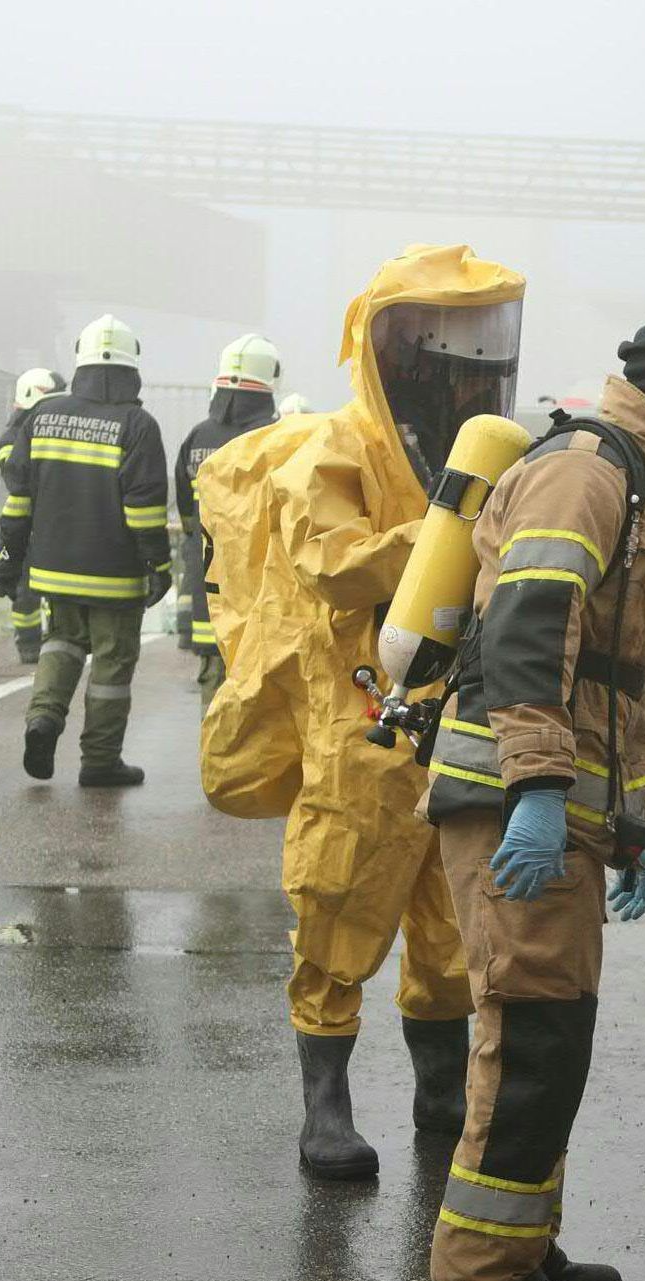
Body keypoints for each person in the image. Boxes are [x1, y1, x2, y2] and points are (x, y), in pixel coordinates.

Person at [420, 314, 645, 1281]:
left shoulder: (634, 480)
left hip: (555, 804)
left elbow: (619, 686)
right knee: (531, 1035)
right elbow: (525, 630)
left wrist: (634, 820)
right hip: (515, 799)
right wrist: (539, 787)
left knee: (552, 1032)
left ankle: (522, 1244)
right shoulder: (586, 473)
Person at [196, 246, 517, 1181]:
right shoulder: (335, 451)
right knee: (339, 899)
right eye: (456, 342)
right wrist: (450, 529)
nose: (475, 365)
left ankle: (440, 1093)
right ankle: (325, 1107)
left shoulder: (482, 448)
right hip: (361, 716)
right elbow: (330, 564)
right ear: (401, 346)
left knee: (453, 920)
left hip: (458, 716)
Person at [0, 317, 170, 787]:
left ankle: (43, 719)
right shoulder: (138, 425)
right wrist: (159, 565)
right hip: (115, 576)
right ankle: (99, 760)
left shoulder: (41, 417)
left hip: (52, 570)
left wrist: (9, 559)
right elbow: (145, 510)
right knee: (111, 665)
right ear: (132, 366)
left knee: (61, 643)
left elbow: (18, 501)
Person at [174, 334, 282, 709]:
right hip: (260, 582)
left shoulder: (197, 437)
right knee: (262, 690)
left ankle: (215, 764)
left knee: (214, 685)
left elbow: (188, 516)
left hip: (208, 579)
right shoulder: (277, 437)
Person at [0, 368, 63, 664]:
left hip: (53, 519)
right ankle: (28, 643)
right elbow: (16, 480)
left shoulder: (51, 428)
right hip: (26, 522)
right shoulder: (12, 437)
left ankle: (55, 639)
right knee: (25, 586)